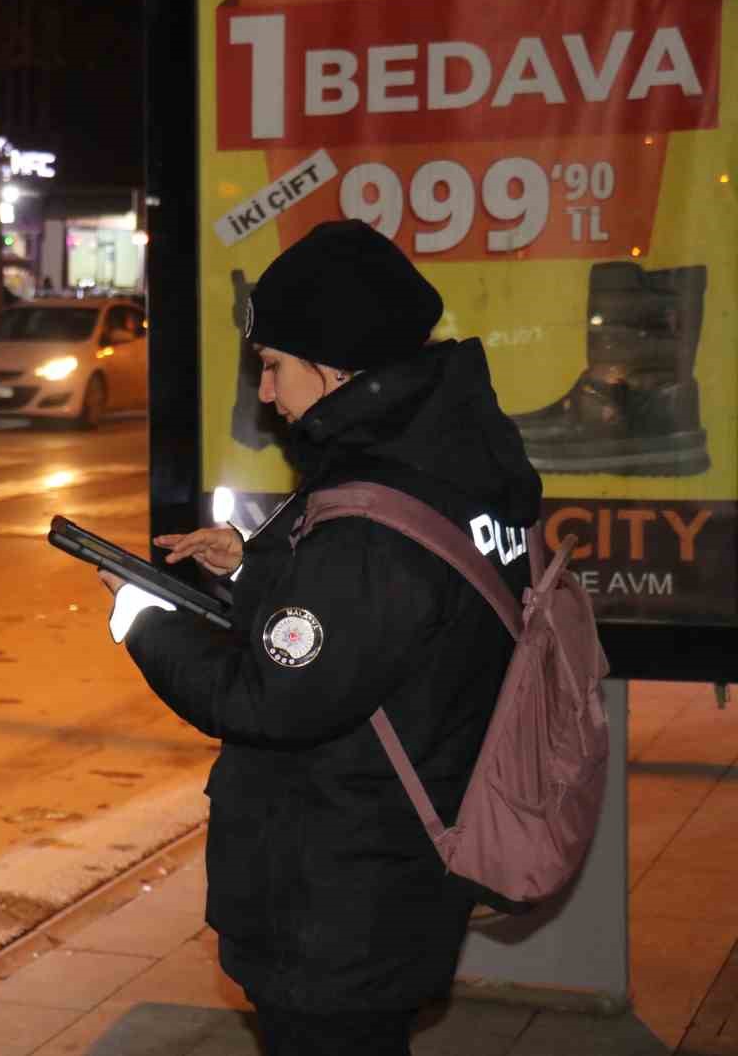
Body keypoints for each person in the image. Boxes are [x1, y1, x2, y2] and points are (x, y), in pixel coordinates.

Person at [97, 219, 541, 1056]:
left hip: (338, 894)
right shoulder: (456, 454)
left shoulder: (375, 510)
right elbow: (392, 614)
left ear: (338, 365)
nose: (265, 395)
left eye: (274, 366)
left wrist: (140, 615)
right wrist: (255, 566)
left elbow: (269, 698)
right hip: (402, 857)